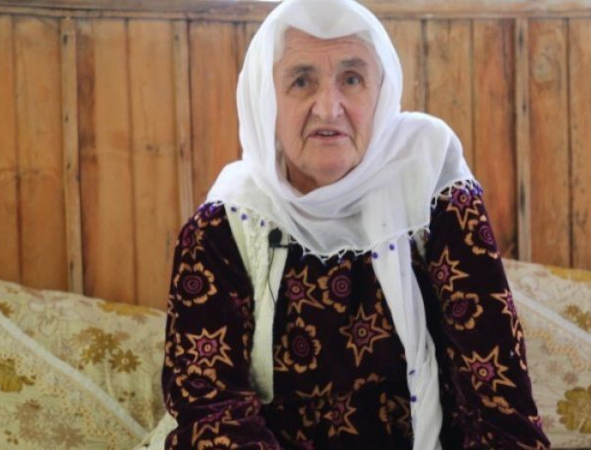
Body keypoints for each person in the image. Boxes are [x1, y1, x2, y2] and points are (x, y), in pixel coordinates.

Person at [161, 0, 551, 448]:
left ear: (381, 92)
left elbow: (495, 386)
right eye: (301, 81)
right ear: (266, 100)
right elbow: (210, 409)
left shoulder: (432, 185)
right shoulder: (224, 225)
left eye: (351, 78)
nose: (329, 109)